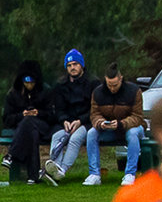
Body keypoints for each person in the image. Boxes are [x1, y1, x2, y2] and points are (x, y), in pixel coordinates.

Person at [86, 63, 146, 186]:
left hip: (130, 127)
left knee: (132, 134)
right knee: (91, 133)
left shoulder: (134, 91)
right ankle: (94, 174)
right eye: (109, 85)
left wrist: (121, 124)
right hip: (109, 129)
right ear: (105, 80)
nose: (112, 88)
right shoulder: (98, 92)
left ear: (121, 79)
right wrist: (101, 123)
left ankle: (130, 174)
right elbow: (94, 114)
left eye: (115, 85)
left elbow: (137, 117)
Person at [45, 49, 94, 184]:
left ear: (81, 65)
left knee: (75, 138)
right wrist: (64, 121)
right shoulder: (61, 85)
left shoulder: (93, 83)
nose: (72, 67)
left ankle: (62, 170)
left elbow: (95, 109)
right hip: (67, 122)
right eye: (69, 65)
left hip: (86, 122)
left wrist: (80, 121)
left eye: (75, 64)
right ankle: (54, 168)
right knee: (56, 136)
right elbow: (59, 109)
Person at [4, 60, 53, 185]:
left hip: (43, 125)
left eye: (32, 82)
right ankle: (33, 176)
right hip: (24, 128)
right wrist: (21, 115)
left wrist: (38, 113)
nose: (29, 85)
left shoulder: (46, 91)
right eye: (26, 82)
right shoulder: (13, 94)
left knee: (30, 122)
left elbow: (52, 115)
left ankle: (11, 155)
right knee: (32, 132)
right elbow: (7, 119)